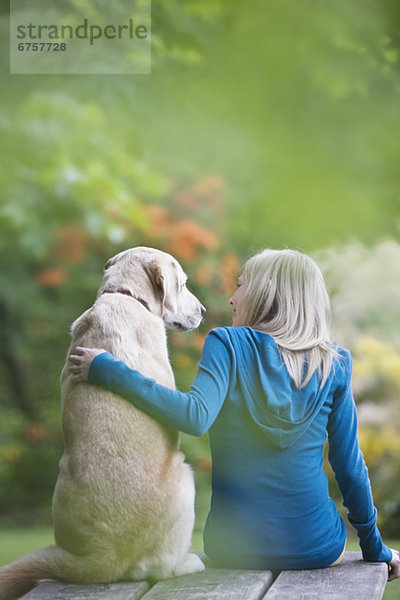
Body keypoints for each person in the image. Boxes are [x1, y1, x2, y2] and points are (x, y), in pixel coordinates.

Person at [68, 248, 400, 580]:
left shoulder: (227, 343)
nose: (231, 298)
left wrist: (108, 370)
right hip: (318, 547)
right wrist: (376, 550)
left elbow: (194, 416)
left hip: (233, 548)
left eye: (241, 285)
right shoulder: (335, 363)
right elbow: (350, 467)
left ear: (265, 292)